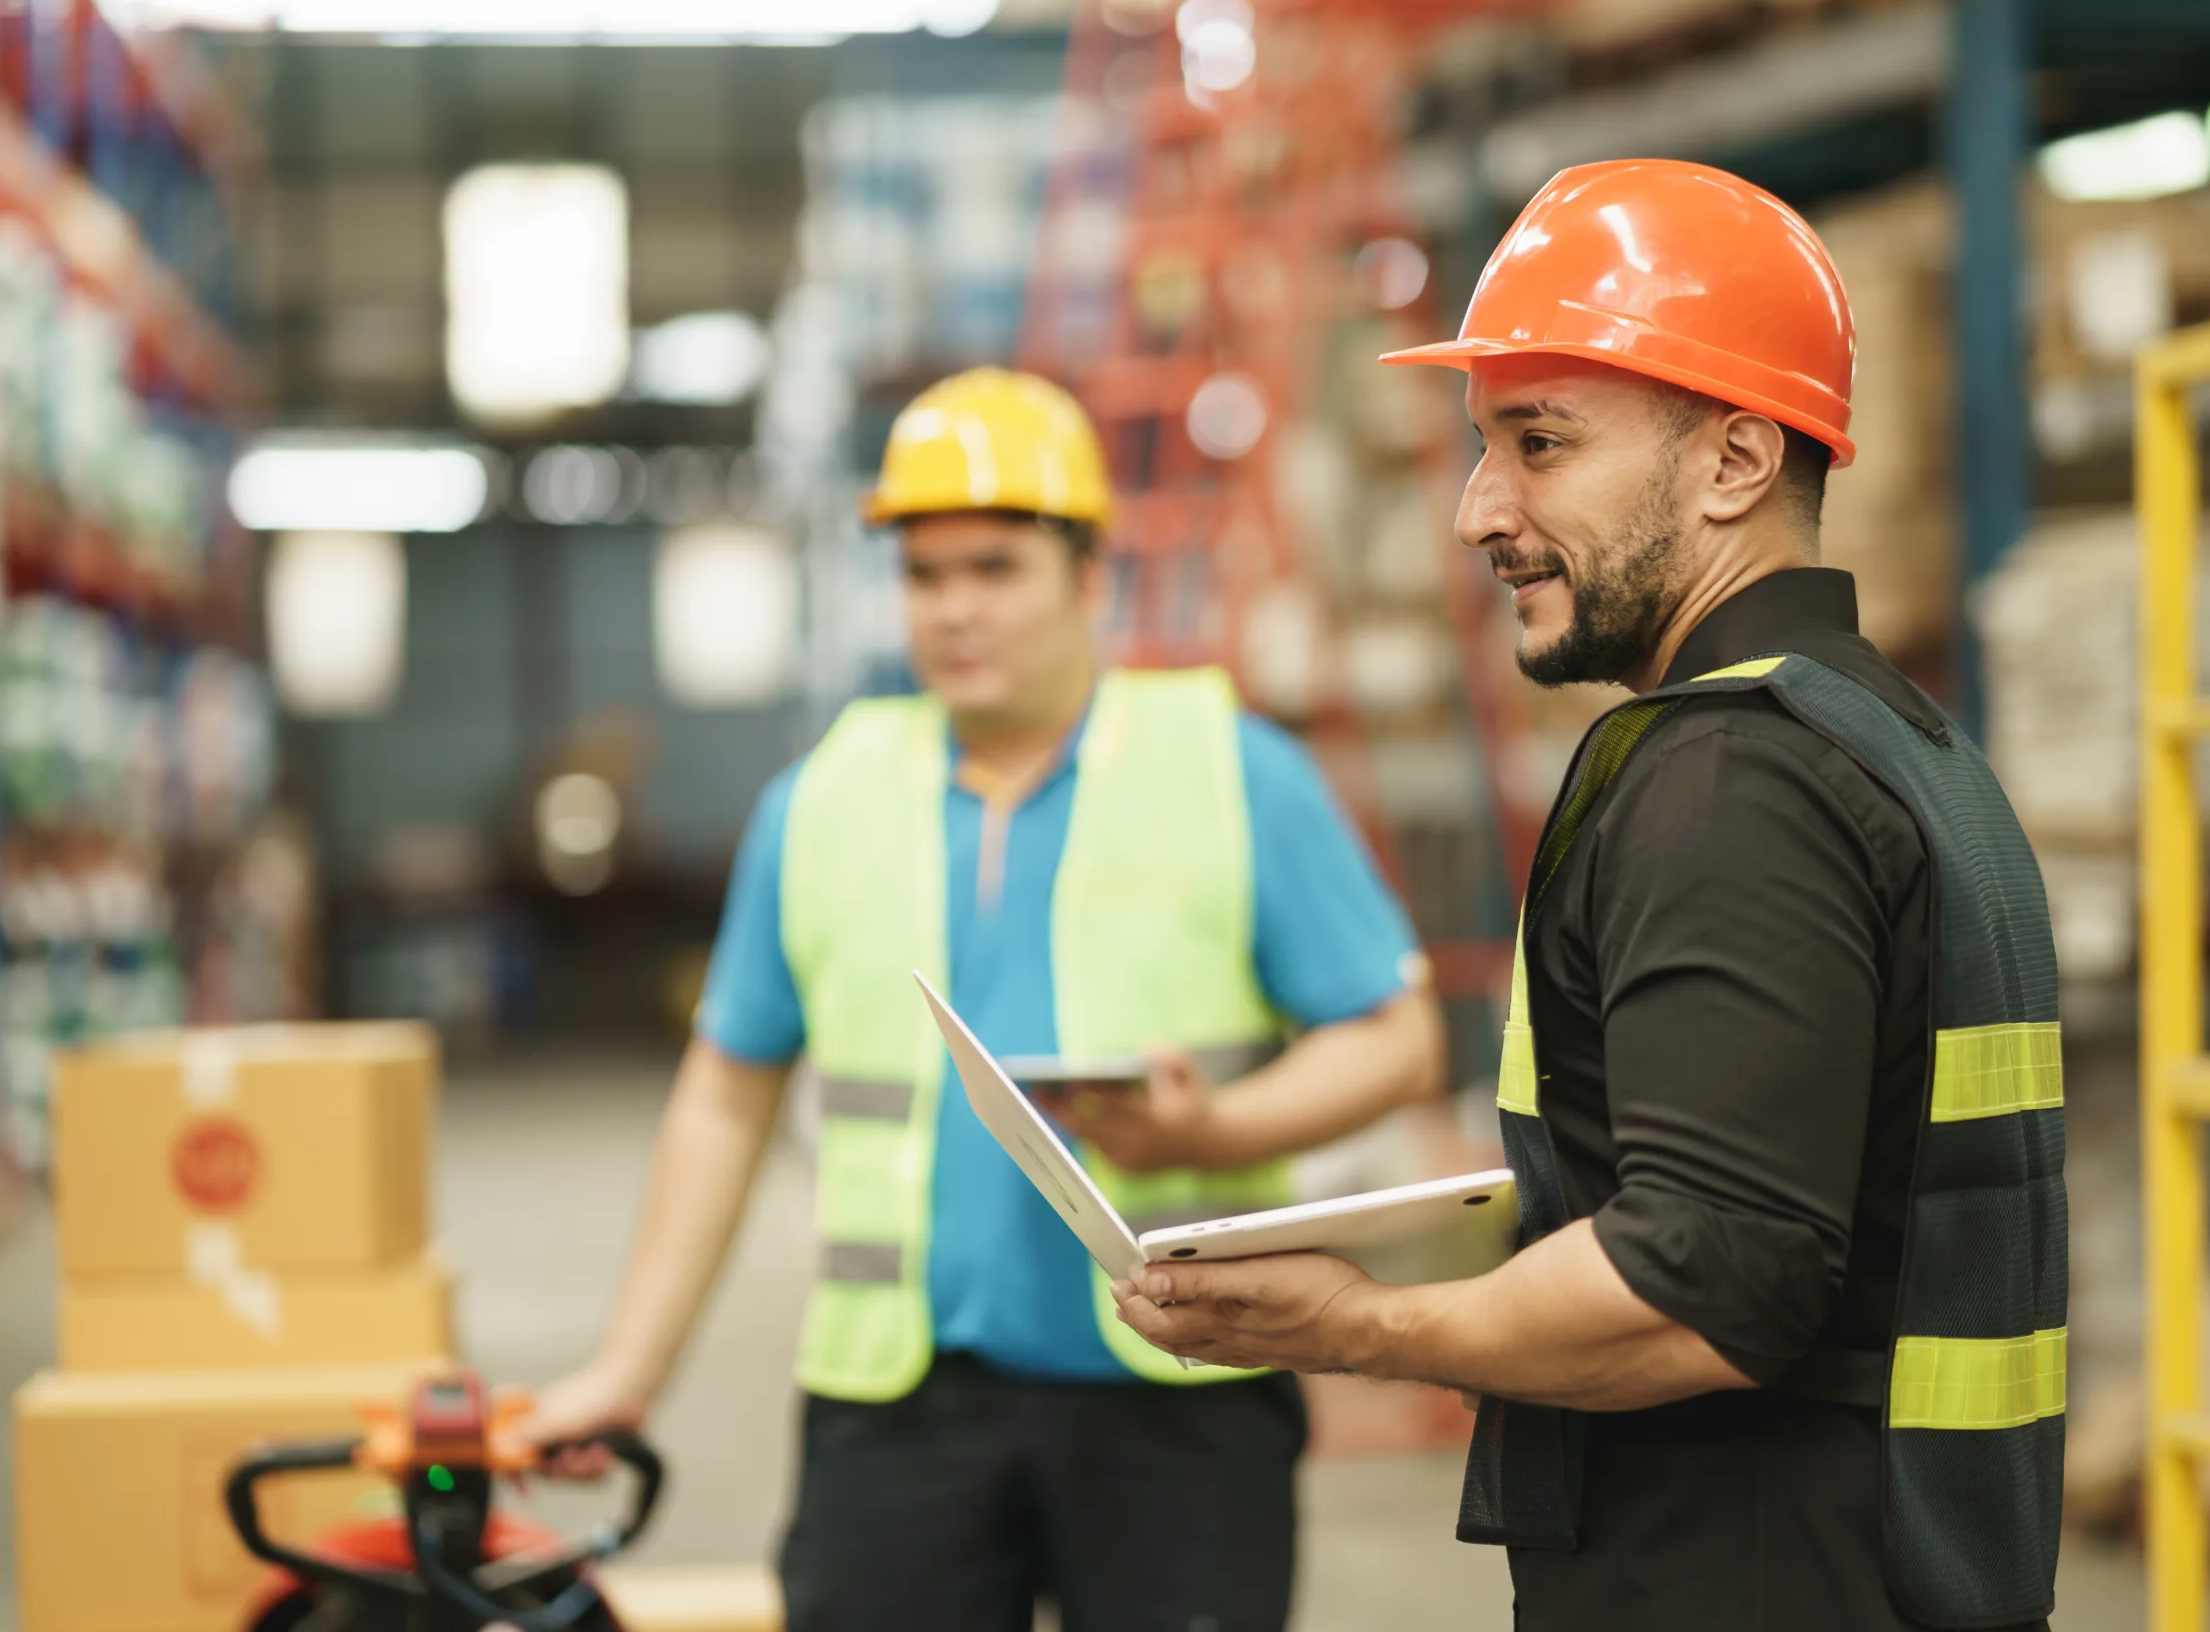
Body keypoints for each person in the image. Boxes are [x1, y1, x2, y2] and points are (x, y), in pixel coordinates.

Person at [1113, 160, 2067, 1632]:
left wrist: (1358, 1321)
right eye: (1483, 446)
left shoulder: (1731, 782)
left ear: (1736, 463)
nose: (1478, 511)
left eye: (1539, 442)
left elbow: (1709, 1276)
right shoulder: (1903, 743)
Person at [525, 366, 1445, 1632]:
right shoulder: (822, 802)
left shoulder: (1229, 770)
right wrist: (628, 1372)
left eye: (994, 568)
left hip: (1183, 1389)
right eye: (923, 573)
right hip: (898, 1412)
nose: (953, 609)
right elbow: (723, 1100)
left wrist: (1213, 1136)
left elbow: (1394, 1042)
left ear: (1086, 576)